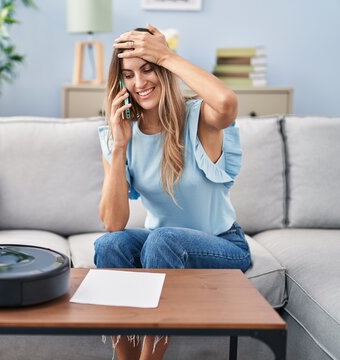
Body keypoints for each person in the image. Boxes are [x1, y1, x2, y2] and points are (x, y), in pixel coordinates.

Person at [95, 24, 253, 360]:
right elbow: (113, 223)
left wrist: (166, 54)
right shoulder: (118, 134)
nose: (140, 83)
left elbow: (227, 102)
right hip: (161, 246)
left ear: (163, 69)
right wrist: (119, 146)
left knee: (164, 239)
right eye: (129, 74)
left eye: (148, 68)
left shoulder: (200, 118)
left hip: (222, 245)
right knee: (111, 244)